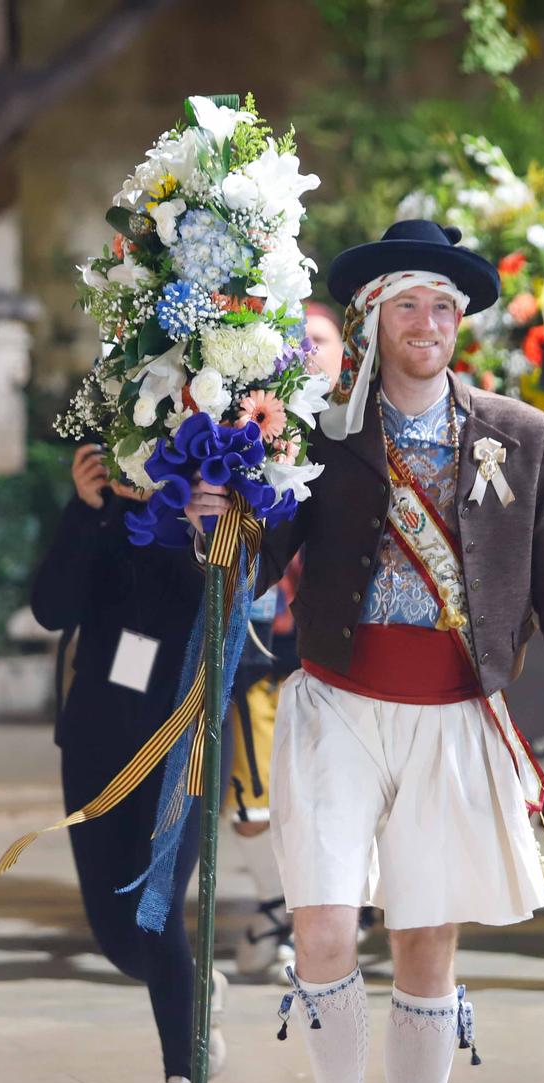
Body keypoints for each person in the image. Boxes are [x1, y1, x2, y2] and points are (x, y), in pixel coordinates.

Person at [184, 218, 544, 1083]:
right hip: (332, 706)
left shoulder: (521, 434)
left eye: (445, 307)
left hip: (455, 717)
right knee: (324, 925)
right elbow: (258, 545)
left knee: (425, 939)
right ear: (373, 317)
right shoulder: (320, 434)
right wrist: (218, 517)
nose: (429, 323)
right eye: (408, 304)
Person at [29, 442, 226, 1083]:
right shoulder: (99, 509)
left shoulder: (209, 507)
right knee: (116, 935)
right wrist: (87, 510)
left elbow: (231, 603)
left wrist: (192, 520)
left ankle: (183, 1076)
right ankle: (195, 993)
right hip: (95, 736)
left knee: (155, 907)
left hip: (181, 738)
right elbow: (50, 607)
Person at [228, 302, 342, 985]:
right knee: (253, 805)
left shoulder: (360, 428)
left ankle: (303, 924)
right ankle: (277, 907)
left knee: (327, 805)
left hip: (337, 654)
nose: (306, 348)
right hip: (261, 645)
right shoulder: (251, 423)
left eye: (319, 338)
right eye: (295, 338)